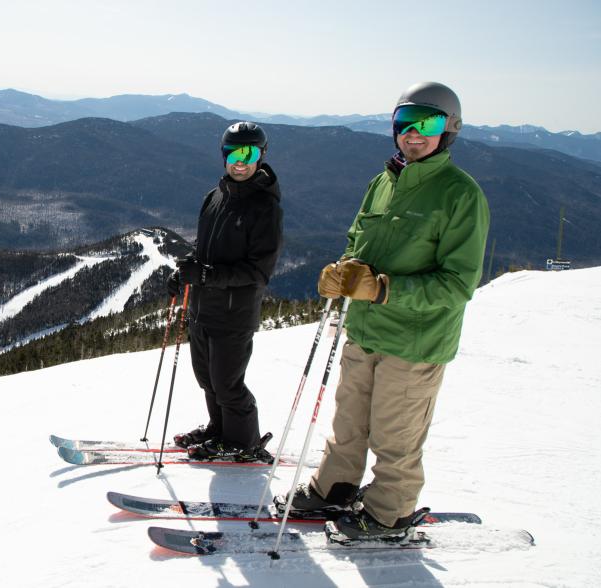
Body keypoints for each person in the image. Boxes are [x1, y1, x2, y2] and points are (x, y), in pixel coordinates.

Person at [275, 82, 490, 540]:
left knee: (396, 435)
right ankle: (334, 487)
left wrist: (385, 289)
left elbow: (458, 284)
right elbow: (358, 242)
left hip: (415, 340)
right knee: (348, 422)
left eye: (427, 123)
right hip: (366, 330)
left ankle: (390, 513)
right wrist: (342, 272)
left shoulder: (460, 195)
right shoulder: (384, 181)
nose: (413, 133)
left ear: (449, 130)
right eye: (403, 122)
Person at [166, 121, 284, 462]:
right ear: (223, 155)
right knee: (207, 379)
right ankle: (219, 431)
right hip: (203, 308)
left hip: (234, 313)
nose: (241, 160)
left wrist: (204, 275)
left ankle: (242, 440)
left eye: (250, 153)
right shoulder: (215, 197)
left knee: (228, 383)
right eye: (234, 152)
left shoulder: (265, 208)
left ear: (262, 156)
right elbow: (203, 249)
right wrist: (185, 271)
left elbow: (258, 272)